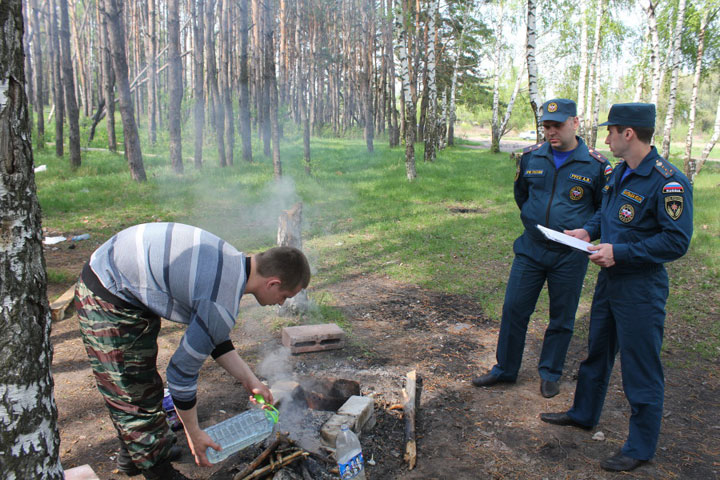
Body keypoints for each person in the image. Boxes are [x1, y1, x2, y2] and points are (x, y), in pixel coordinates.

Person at [74, 222, 311, 479]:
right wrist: (194, 434)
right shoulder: (220, 302)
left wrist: (249, 380)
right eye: (286, 296)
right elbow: (180, 374)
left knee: (140, 382)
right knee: (131, 390)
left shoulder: (234, 262)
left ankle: (135, 457)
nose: (282, 302)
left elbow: (213, 335)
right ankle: (159, 470)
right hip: (109, 291)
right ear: (273, 283)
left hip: (128, 277)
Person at [540, 103, 693, 472]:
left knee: (640, 367)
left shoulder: (668, 182)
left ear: (629, 134)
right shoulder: (619, 172)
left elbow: (676, 242)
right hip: (610, 281)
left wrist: (619, 252)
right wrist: (588, 232)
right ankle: (584, 413)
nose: (605, 137)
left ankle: (640, 447)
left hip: (641, 288)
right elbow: (606, 214)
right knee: (597, 351)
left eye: (611, 131)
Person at [473, 98, 612, 398]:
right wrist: (534, 220)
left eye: (557, 125)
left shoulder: (596, 164)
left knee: (562, 316)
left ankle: (550, 372)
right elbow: (522, 195)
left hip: (570, 254)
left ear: (574, 123)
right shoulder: (531, 158)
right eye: (546, 126)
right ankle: (505, 369)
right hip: (531, 249)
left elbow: (605, 207)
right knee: (514, 309)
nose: (551, 132)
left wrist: (588, 231)